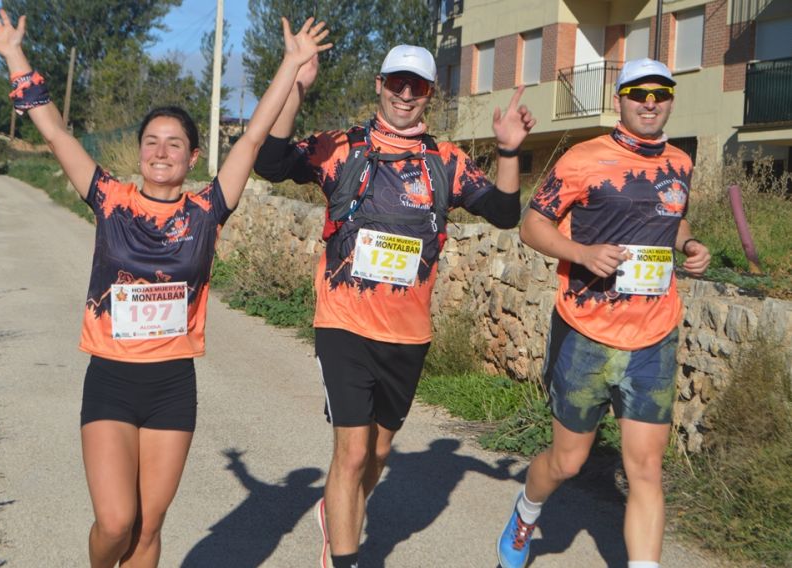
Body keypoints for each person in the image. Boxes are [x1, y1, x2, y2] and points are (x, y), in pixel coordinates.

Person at [0, 9, 331, 567]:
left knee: (148, 527)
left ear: (193, 156)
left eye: (174, 144)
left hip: (172, 384)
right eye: (151, 141)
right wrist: (14, 55)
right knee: (116, 523)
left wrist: (289, 65)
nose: (161, 151)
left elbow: (256, 134)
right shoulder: (109, 198)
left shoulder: (207, 210)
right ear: (139, 151)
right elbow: (53, 129)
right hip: (112, 381)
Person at [254, 44, 535, 568]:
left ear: (430, 95)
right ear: (379, 84)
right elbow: (271, 162)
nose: (406, 94)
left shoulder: (445, 160)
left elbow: (502, 212)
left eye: (419, 86)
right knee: (353, 451)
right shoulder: (342, 147)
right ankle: (344, 556)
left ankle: (338, 514)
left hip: (407, 332)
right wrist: (296, 86)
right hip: (343, 320)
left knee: (379, 453)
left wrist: (509, 152)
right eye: (398, 83)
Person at [497, 58, 711, 568]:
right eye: (639, 93)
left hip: (654, 334)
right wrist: (584, 254)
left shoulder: (680, 162)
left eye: (661, 93)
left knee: (646, 469)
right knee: (568, 462)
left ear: (671, 100)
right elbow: (532, 226)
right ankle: (527, 512)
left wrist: (690, 244)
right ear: (619, 100)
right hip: (586, 333)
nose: (650, 102)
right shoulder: (581, 158)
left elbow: (668, 220)